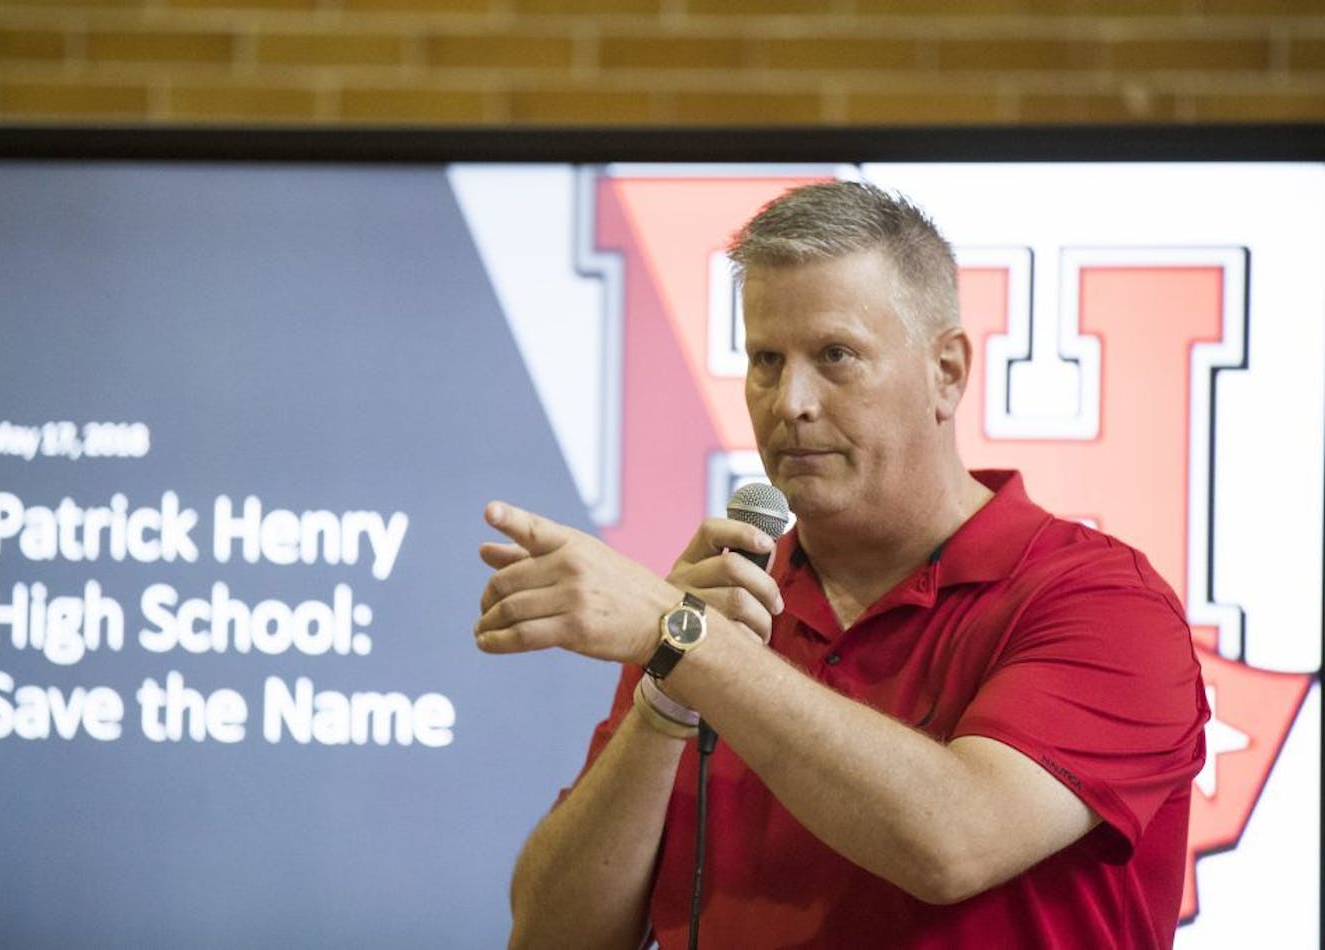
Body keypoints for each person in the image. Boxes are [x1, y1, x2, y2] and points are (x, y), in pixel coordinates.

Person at [475, 180, 1207, 949]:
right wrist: (666, 699)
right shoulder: (718, 606)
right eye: (765, 359)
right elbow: (554, 936)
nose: (789, 400)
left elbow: (954, 845)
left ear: (948, 372)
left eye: (835, 356)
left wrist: (687, 642)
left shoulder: (1102, 603)